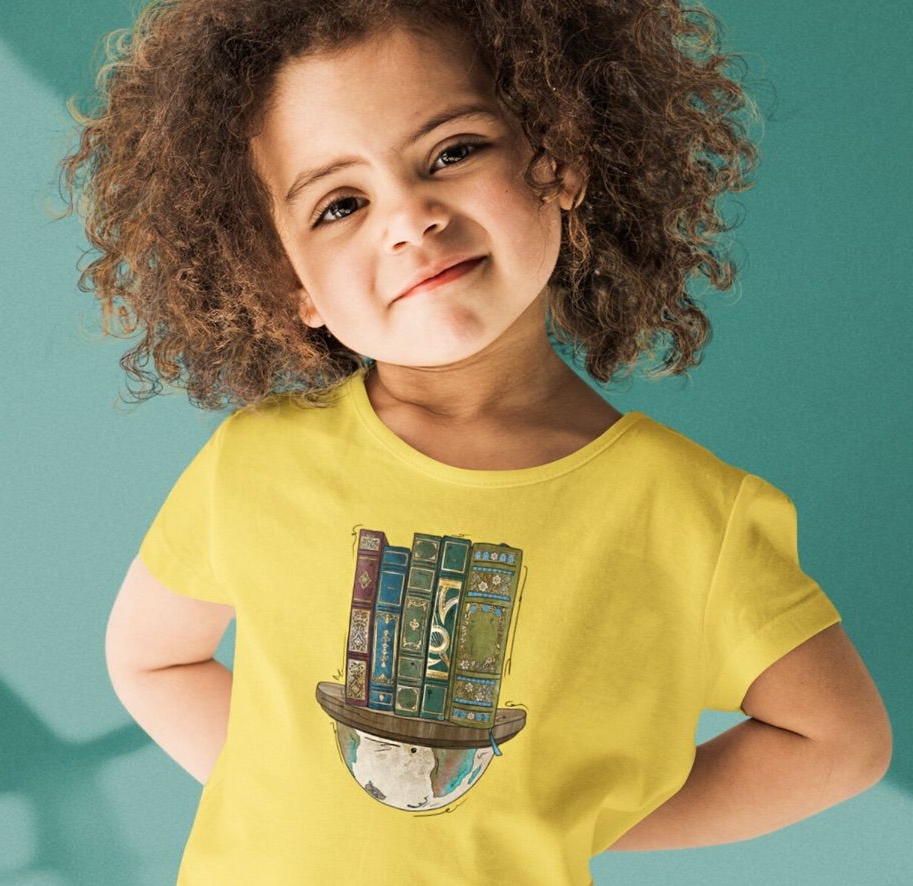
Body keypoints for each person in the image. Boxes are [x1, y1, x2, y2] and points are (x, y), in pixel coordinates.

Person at [58, 1, 892, 884]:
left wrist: (565, 819)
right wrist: (294, 798)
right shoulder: (252, 462)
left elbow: (840, 743)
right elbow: (151, 659)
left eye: (453, 153)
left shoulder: (691, 514)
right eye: (340, 203)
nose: (408, 218)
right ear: (288, 280)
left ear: (558, 159)